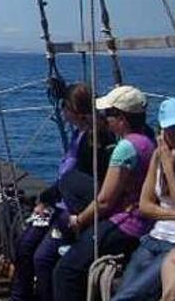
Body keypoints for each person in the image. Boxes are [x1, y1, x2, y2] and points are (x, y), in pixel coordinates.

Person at [11, 83, 112, 301]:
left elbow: (82, 183)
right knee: (24, 245)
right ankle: (20, 297)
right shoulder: (79, 134)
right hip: (58, 204)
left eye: (64, 107)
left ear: (72, 110)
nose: (62, 112)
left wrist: (52, 201)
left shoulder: (96, 142)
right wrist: (46, 200)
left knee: (43, 259)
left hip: (74, 211)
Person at [54, 85, 156, 301]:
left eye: (109, 114)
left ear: (122, 118)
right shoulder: (148, 141)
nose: (105, 118)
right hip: (142, 221)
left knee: (66, 272)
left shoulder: (125, 148)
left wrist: (79, 221)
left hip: (126, 225)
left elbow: (104, 201)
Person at [112, 97, 175, 301]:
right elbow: (145, 205)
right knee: (123, 292)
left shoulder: (166, 162)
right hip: (153, 239)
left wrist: (169, 168)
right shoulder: (157, 157)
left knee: (126, 297)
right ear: (162, 130)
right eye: (173, 128)